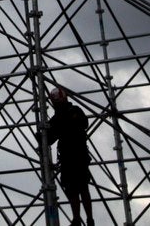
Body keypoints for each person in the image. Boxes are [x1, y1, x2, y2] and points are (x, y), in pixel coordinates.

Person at [42, 86, 94, 226]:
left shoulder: (73, 112)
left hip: (77, 155)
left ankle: (88, 219)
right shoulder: (58, 118)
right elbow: (50, 139)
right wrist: (43, 135)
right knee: (73, 189)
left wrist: (61, 124)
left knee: (81, 187)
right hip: (68, 157)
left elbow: (84, 123)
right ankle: (78, 219)